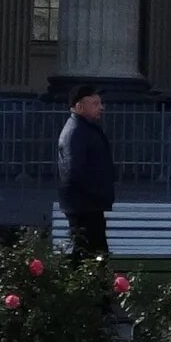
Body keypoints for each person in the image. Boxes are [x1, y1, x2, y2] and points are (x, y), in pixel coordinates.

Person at [56, 84, 117, 259]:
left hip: (89, 204)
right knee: (90, 254)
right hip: (84, 206)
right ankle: (87, 285)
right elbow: (74, 171)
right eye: (95, 103)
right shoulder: (76, 131)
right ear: (79, 106)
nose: (101, 107)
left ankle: (88, 284)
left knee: (90, 254)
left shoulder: (84, 128)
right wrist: (97, 193)